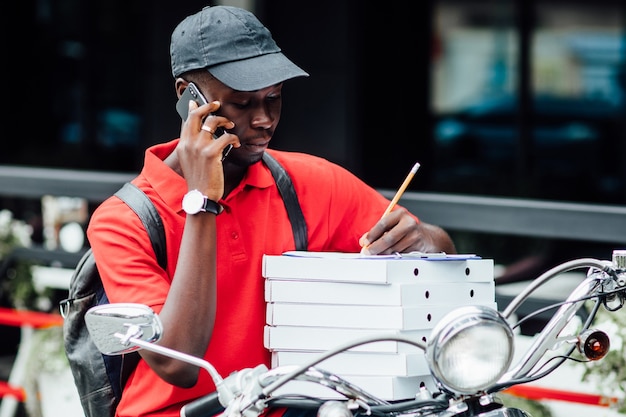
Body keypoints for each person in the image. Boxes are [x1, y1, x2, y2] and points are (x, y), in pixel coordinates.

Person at [87, 5, 456, 417]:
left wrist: (423, 241)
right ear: (188, 98)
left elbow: (438, 250)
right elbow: (176, 362)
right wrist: (203, 201)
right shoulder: (124, 220)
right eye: (243, 103)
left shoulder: (310, 183)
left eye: (274, 98)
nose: (264, 120)